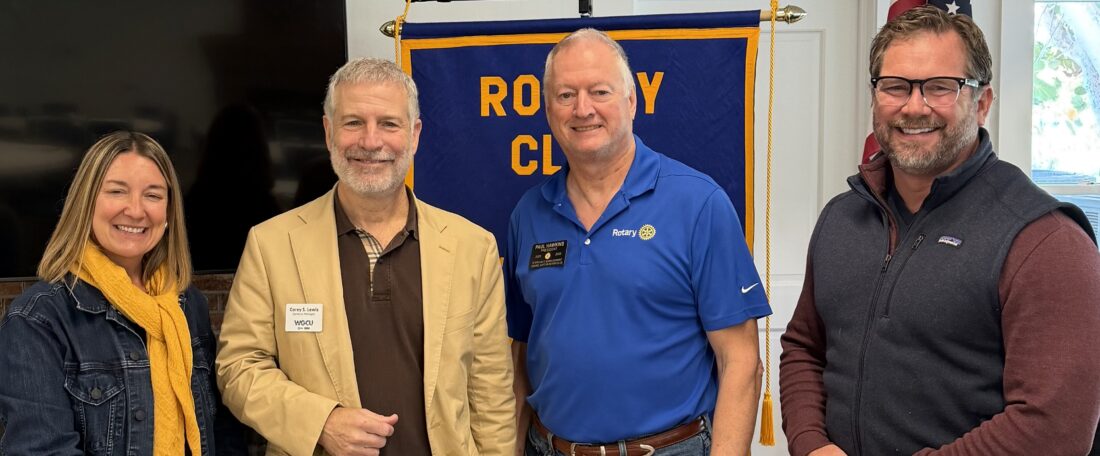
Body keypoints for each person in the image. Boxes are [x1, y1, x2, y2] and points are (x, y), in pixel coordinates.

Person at [779, 6, 1100, 456]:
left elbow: (1053, 427)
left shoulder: (1046, 241)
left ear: (982, 103)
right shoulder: (842, 218)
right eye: (895, 86)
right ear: (875, 97)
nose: (914, 106)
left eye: (940, 87)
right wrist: (811, 444)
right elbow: (804, 348)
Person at [215, 58, 515, 456]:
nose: (370, 142)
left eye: (388, 124)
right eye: (353, 122)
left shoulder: (472, 248)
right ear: (328, 132)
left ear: (414, 135)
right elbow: (238, 368)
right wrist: (321, 422)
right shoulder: (272, 245)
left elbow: (490, 391)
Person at [505, 28, 773, 455]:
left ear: (631, 101)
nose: (583, 109)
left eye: (599, 91)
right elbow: (518, 356)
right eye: (565, 95)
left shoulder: (698, 204)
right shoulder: (529, 214)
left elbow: (740, 362)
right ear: (548, 109)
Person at [0, 131, 246, 454]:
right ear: (86, 203)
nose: (136, 210)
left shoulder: (187, 305)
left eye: (153, 195)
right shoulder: (37, 320)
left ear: (169, 212)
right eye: (117, 191)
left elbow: (222, 432)